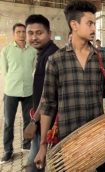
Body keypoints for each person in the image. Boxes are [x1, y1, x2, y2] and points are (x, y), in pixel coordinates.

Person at [33, 0, 105, 171]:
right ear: (74, 24)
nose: (93, 28)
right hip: (69, 138)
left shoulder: (100, 57)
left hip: (100, 134)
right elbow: (48, 105)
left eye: (94, 24)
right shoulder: (56, 60)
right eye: (89, 23)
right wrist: (43, 145)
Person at [22, 14, 59, 172]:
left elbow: (47, 96)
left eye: (39, 33)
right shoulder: (43, 54)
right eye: (30, 33)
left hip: (48, 124)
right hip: (43, 121)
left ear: (49, 34)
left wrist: (33, 122)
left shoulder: (51, 56)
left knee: (34, 166)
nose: (34, 37)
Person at [0, 23, 36, 163]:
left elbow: (32, 68)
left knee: (28, 120)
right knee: (9, 122)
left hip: (28, 91)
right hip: (11, 91)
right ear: (13, 34)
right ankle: (8, 151)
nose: (21, 34)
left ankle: (26, 145)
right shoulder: (6, 50)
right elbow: (4, 70)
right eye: (18, 32)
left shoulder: (32, 51)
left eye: (23, 32)